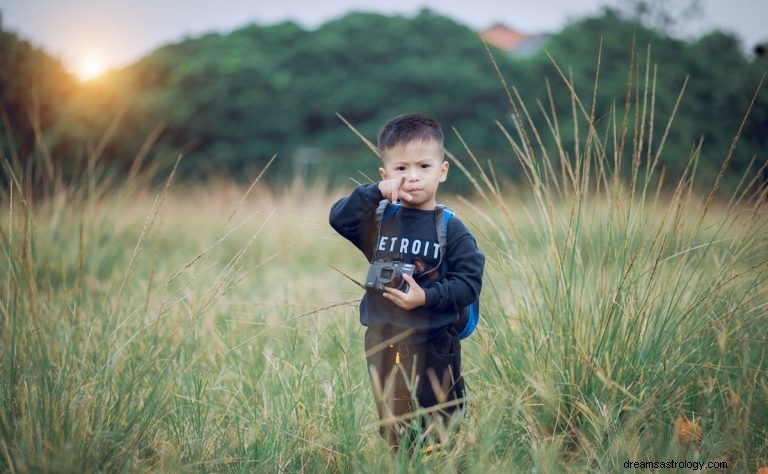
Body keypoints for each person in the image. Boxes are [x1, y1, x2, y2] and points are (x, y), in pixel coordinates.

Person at [328, 113, 485, 452]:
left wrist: (425, 298)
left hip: (434, 344)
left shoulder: (451, 228)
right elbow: (338, 218)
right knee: (394, 429)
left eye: (424, 167)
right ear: (386, 175)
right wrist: (374, 194)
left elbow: (469, 284)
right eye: (401, 169)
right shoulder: (379, 220)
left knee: (438, 426)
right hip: (382, 341)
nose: (413, 177)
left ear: (442, 171)